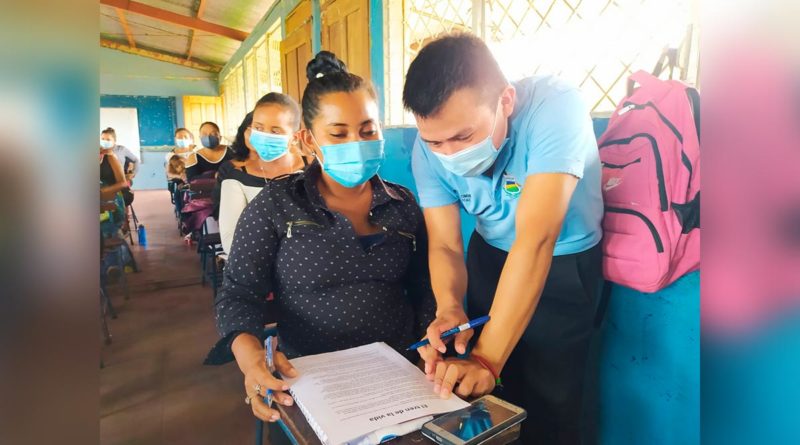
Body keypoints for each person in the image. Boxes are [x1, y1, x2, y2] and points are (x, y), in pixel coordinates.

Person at [206, 51, 435, 426]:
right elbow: (238, 293)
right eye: (338, 133)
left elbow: (427, 284)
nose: (356, 142)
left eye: (367, 130)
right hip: (312, 379)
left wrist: (432, 344)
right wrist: (251, 360)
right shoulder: (276, 206)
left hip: (401, 371)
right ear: (308, 140)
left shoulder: (402, 204)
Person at [402, 33, 604, 444]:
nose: (449, 154)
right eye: (435, 142)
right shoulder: (429, 151)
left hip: (561, 266)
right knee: (476, 393)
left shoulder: (556, 106)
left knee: (550, 397)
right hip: (488, 257)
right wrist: (450, 306)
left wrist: (488, 359)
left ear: (505, 102)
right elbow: (444, 243)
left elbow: (536, 241)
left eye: (463, 137)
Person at [215, 92, 307, 254]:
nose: (264, 135)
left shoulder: (314, 171)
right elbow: (231, 241)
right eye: (258, 128)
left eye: (275, 131)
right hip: (259, 269)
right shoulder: (235, 178)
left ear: (294, 137)